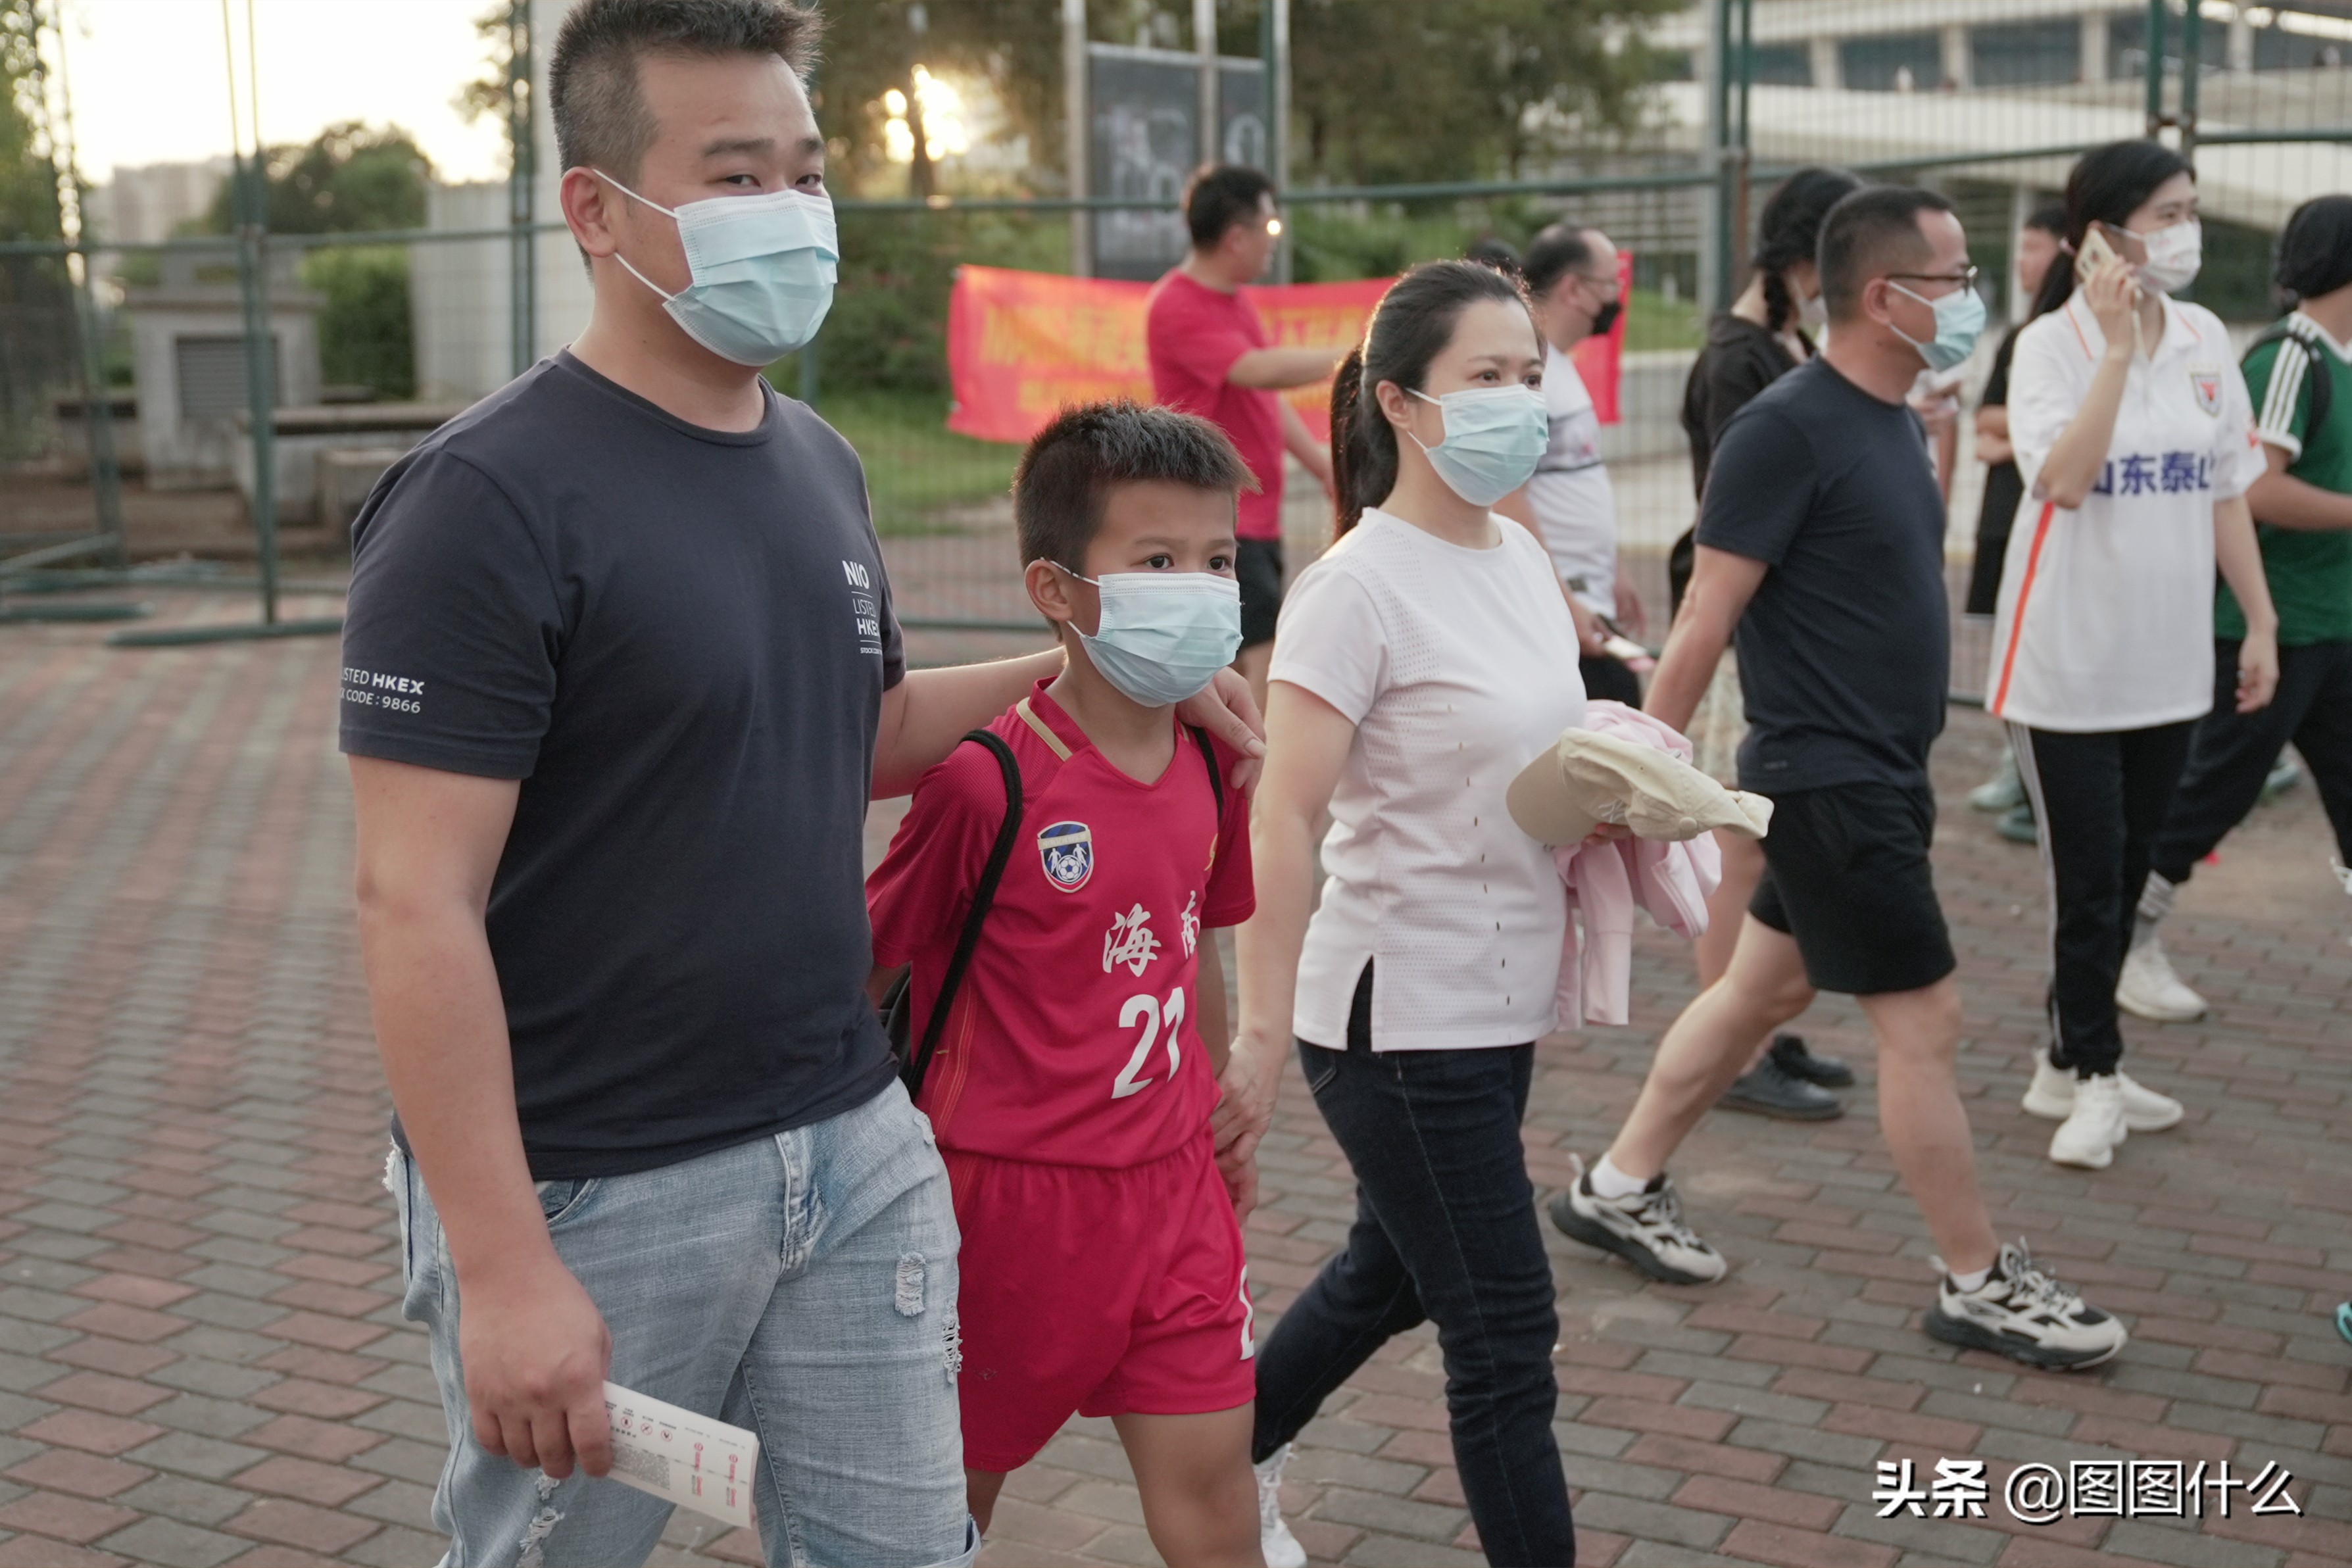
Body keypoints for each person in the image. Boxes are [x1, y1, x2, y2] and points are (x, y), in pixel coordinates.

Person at [340, 7, 1262, 1565]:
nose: (791, 209)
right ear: (598, 210)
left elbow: (867, 723)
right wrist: (501, 1267)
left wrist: (1100, 665)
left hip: (852, 1140)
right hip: (601, 1181)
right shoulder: (483, 501)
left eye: (804, 170)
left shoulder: (815, 462)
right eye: (735, 173)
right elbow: (409, 895)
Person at [1550, 185, 2129, 1371]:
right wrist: (1636, 771)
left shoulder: (1895, 413)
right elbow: (1709, 611)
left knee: (1760, 991)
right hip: (1827, 783)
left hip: (1876, 773)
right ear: (1885, 294)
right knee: (1928, 1019)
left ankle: (1615, 1184)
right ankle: (1976, 1279)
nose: (1975, 296)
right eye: (1956, 276)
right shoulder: (1787, 425)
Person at [1215, 260, 1587, 1567]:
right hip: (1398, 1017)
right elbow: (1284, 816)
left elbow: (1527, 758)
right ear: (1403, 404)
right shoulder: (1357, 586)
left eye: (1531, 376)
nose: (1520, 401)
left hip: (1499, 996)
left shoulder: (1523, 555)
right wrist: (1259, 1031)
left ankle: (1225, 1460)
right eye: (1487, 377)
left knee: (1392, 1275)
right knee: (1503, 1329)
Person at [866, 402, 1263, 1568]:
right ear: (1055, 587)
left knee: (1213, 1499)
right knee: (937, 1518)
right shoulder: (987, 782)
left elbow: (1194, 937)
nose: (1197, 586)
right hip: (1003, 1210)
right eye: (1156, 561)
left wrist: (1213, 1097)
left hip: (1174, 1192)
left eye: (1218, 560)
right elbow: (871, 963)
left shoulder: (1212, 754)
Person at [1989, 140, 2278, 1169]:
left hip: (2169, 663)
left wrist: (2261, 621)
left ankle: (2063, 1063)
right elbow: (2064, 481)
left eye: (2191, 208)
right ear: (2099, 235)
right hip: (2065, 669)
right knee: (2090, 886)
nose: (2184, 230)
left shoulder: (2204, 336)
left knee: (2134, 862)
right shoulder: (2051, 348)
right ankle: (2098, 1076)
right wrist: (2113, 349)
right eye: (2165, 212)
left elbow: (2227, 490)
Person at [2119, 193, 2352, 1021]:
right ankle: (2126, 940)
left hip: (2336, 625)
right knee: (2212, 793)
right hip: (2271, 628)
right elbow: (2255, 490)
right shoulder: (2291, 358)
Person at [1673, 165, 1863, 1119]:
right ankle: (1732, 1048)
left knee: (1761, 842)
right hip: (1749, 632)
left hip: (1779, 630)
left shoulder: (1781, 342)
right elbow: (1733, 521)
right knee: (1738, 846)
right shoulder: (1737, 359)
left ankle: (1760, 1029)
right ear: (1798, 257)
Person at [1148, 164, 1340, 711]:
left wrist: (1320, 464)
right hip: (1219, 512)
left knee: (1229, 665)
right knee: (1264, 658)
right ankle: (1264, 786)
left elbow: (1263, 398)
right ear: (1236, 237)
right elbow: (1256, 371)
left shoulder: (1234, 300)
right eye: (1270, 228)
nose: (1273, 242)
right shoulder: (1176, 304)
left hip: (1254, 514)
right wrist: (1355, 359)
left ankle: (1237, 784)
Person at [1496, 222, 1644, 704]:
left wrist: (1613, 567)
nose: (1617, 299)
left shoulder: (1560, 366)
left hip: (1587, 599)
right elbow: (1508, 493)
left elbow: (1576, 475)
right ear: (1573, 289)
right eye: (1610, 285)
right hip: (1561, 612)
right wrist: (1562, 598)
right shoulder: (1529, 375)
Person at [1969, 204, 2070, 835]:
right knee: (2012, 642)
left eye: (2033, 248)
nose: (2023, 262)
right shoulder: (2020, 338)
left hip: (2049, 518)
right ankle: (2020, 766)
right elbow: (1986, 427)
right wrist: (2034, 434)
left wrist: (2024, 434)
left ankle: (2037, 777)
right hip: (2004, 516)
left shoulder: (2068, 343)